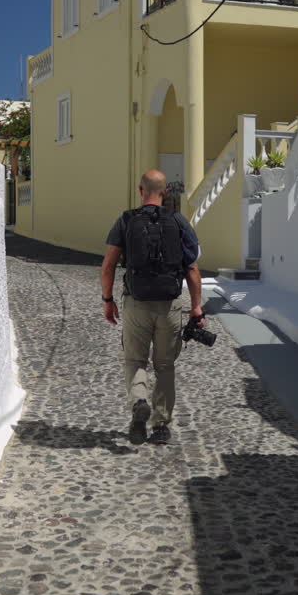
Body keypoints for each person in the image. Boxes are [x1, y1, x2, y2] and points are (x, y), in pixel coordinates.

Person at [100, 170, 204, 445]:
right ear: (165, 192)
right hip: (169, 303)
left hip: (136, 302)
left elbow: (109, 265)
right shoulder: (179, 221)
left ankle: (139, 402)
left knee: (135, 359)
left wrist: (107, 300)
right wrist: (196, 308)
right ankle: (160, 426)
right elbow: (192, 268)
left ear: (140, 190)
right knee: (165, 365)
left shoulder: (125, 220)